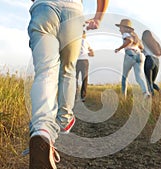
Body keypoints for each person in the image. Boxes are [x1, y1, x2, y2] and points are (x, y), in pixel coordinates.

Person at [27, 0, 109, 168]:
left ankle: (42, 128)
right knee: (67, 71)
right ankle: (64, 119)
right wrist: (98, 18)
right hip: (73, 10)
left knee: (46, 70)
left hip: (44, 8)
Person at [114, 19, 150, 99]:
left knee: (124, 77)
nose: (119, 29)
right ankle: (145, 93)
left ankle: (123, 97)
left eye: (120, 27)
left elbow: (129, 41)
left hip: (130, 55)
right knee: (139, 77)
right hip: (139, 56)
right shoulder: (135, 36)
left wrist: (119, 48)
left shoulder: (125, 34)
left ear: (124, 28)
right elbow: (141, 48)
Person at [142, 30, 161, 97]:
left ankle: (153, 97)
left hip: (149, 60)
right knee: (152, 82)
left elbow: (139, 48)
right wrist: (155, 53)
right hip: (157, 61)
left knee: (149, 82)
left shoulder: (143, 41)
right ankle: (160, 91)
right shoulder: (155, 42)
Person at [76, 30, 94, 102]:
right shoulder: (86, 41)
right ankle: (83, 96)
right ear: (83, 35)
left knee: (75, 78)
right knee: (84, 79)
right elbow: (91, 53)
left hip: (76, 61)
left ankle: (74, 95)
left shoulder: (75, 41)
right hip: (84, 61)